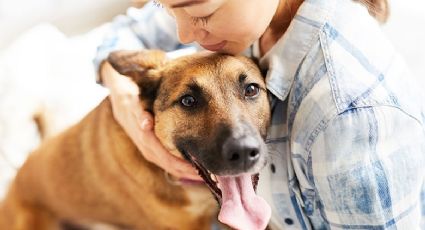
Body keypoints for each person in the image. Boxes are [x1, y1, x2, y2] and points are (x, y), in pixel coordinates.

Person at [93, 0, 425, 228]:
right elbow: (117, 37)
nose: (183, 36)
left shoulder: (346, 114)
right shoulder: (241, 14)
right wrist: (126, 103)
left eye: (200, 12)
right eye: (167, 8)